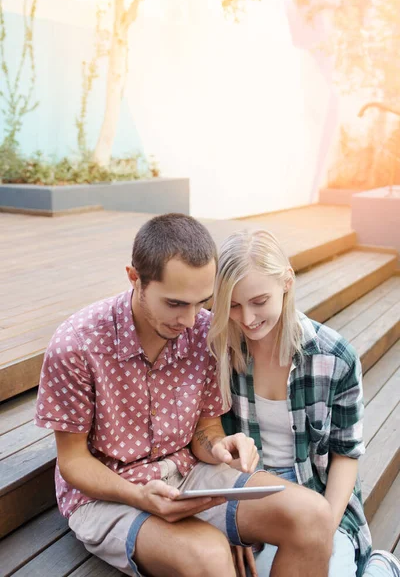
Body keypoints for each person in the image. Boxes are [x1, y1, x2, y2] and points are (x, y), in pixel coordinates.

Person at [35, 214, 334, 577]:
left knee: (313, 515)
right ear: (135, 279)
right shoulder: (76, 345)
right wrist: (139, 496)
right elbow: (73, 461)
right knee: (208, 556)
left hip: (188, 476)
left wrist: (220, 448)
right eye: (175, 303)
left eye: (201, 302)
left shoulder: (204, 332)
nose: (191, 321)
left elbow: (204, 431)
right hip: (107, 495)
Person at [208, 228, 400, 577]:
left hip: (319, 493)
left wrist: (322, 530)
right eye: (233, 305)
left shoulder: (335, 356)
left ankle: (378, 566)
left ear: (287, 282)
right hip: (252, 492)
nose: (247, 319)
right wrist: (229, 522)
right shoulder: (220, 349)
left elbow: (345, 454)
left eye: (259, 302)